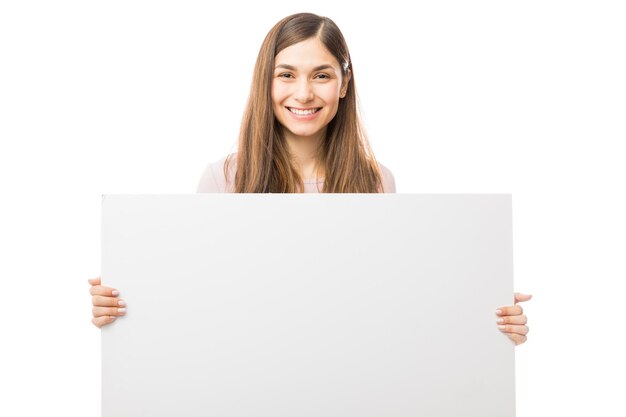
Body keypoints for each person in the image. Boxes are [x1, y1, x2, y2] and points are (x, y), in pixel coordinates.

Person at [88, 12, 532, 345]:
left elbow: (393, 302)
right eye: (287, 75)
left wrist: (478, 307)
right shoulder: (224, 178)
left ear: (344, 83)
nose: (303, 93)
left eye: (321, 75)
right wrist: (125, 308)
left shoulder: (377, 181)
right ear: (266, 82)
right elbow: (199, 300)